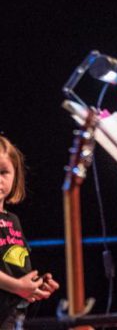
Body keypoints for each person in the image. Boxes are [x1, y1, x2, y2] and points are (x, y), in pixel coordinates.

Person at [0, 136, 59, 329]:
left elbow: (16, 266)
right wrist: (17, 286)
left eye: (3, 172)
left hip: (11, 314)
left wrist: (36, 285)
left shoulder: (13, 220)